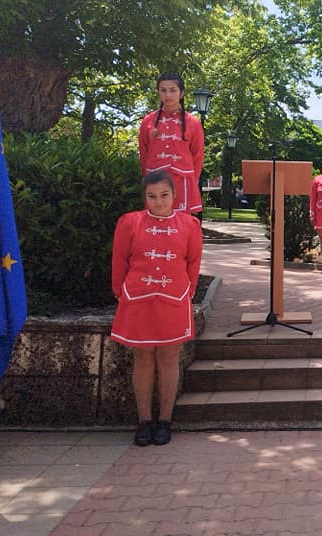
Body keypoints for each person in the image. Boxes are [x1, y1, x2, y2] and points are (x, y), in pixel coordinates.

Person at [111, 170, 203, 446]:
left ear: (175, 195)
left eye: (164, 195)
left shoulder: (189, 225)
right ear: (145, 197)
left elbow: (193, 262)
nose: (159, 202)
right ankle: (143, 422)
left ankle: (165, 420)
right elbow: (120, 260)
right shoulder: (129, 222)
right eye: (152, 196)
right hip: (138, 298)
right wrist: (120, 292)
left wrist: (188, 290)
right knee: (143, 359)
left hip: (173, 298)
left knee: (168, 359)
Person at [138, 73, 205, 217]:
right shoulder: (148, 121)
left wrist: (192, 181)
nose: (168, 94)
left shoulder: (193, 122)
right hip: (154, 181)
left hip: (183, 182)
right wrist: (147, 181)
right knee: (154, 224)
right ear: (158, 92)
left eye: (173, 90)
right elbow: (144, 153)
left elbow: (198, 155)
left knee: (181, 226)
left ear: (181, 93)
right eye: (163, 90)